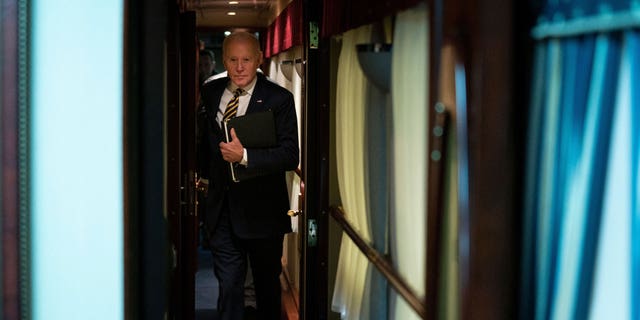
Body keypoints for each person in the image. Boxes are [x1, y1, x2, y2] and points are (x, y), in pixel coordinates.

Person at [197, 31, 299, 320]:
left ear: (259, 60)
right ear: (223, 61)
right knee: (229, 287)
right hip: (222, 211)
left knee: (267, 289)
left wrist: (244, 157)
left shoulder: (279, 99)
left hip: (262, 212)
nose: (240, 67)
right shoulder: (211, 92)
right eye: (233, 59)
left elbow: (291, 155)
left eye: (246, 59)